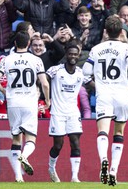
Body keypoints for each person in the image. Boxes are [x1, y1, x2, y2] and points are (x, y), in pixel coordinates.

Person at [82, 15, 128, 186]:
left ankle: (104, 162)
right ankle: (113, 171)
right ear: (121, 32)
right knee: (119, 133)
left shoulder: (96, 49)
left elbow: (85, 70)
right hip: (122, 93)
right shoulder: (127, 48)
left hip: (104, 93)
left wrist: (94, 78)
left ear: (105, 31)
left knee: (102, 132)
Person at [0, 31, 50, 182]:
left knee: (16, 139)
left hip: (13, 102)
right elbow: (44, 83)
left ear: (15, 44)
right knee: (30, 138)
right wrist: (48, 101)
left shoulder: (7, 59)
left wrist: (4, 90)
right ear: (29, 44)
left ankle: (18, 177)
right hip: (29, 102)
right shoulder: (35, 60)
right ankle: (24, 156)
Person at [46, 43, 85, 183]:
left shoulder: (80, 73)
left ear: (79, 56)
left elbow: (92, 83)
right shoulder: (56, 70)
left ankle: (75, 176)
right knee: (58, 145)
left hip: (73, 113)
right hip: (57, 113)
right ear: (66, 55)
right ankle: (51, 167)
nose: (73, 56)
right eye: (70, 54)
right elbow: (43, 79)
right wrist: (44, 95)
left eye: (75, 54)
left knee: (75, 143)